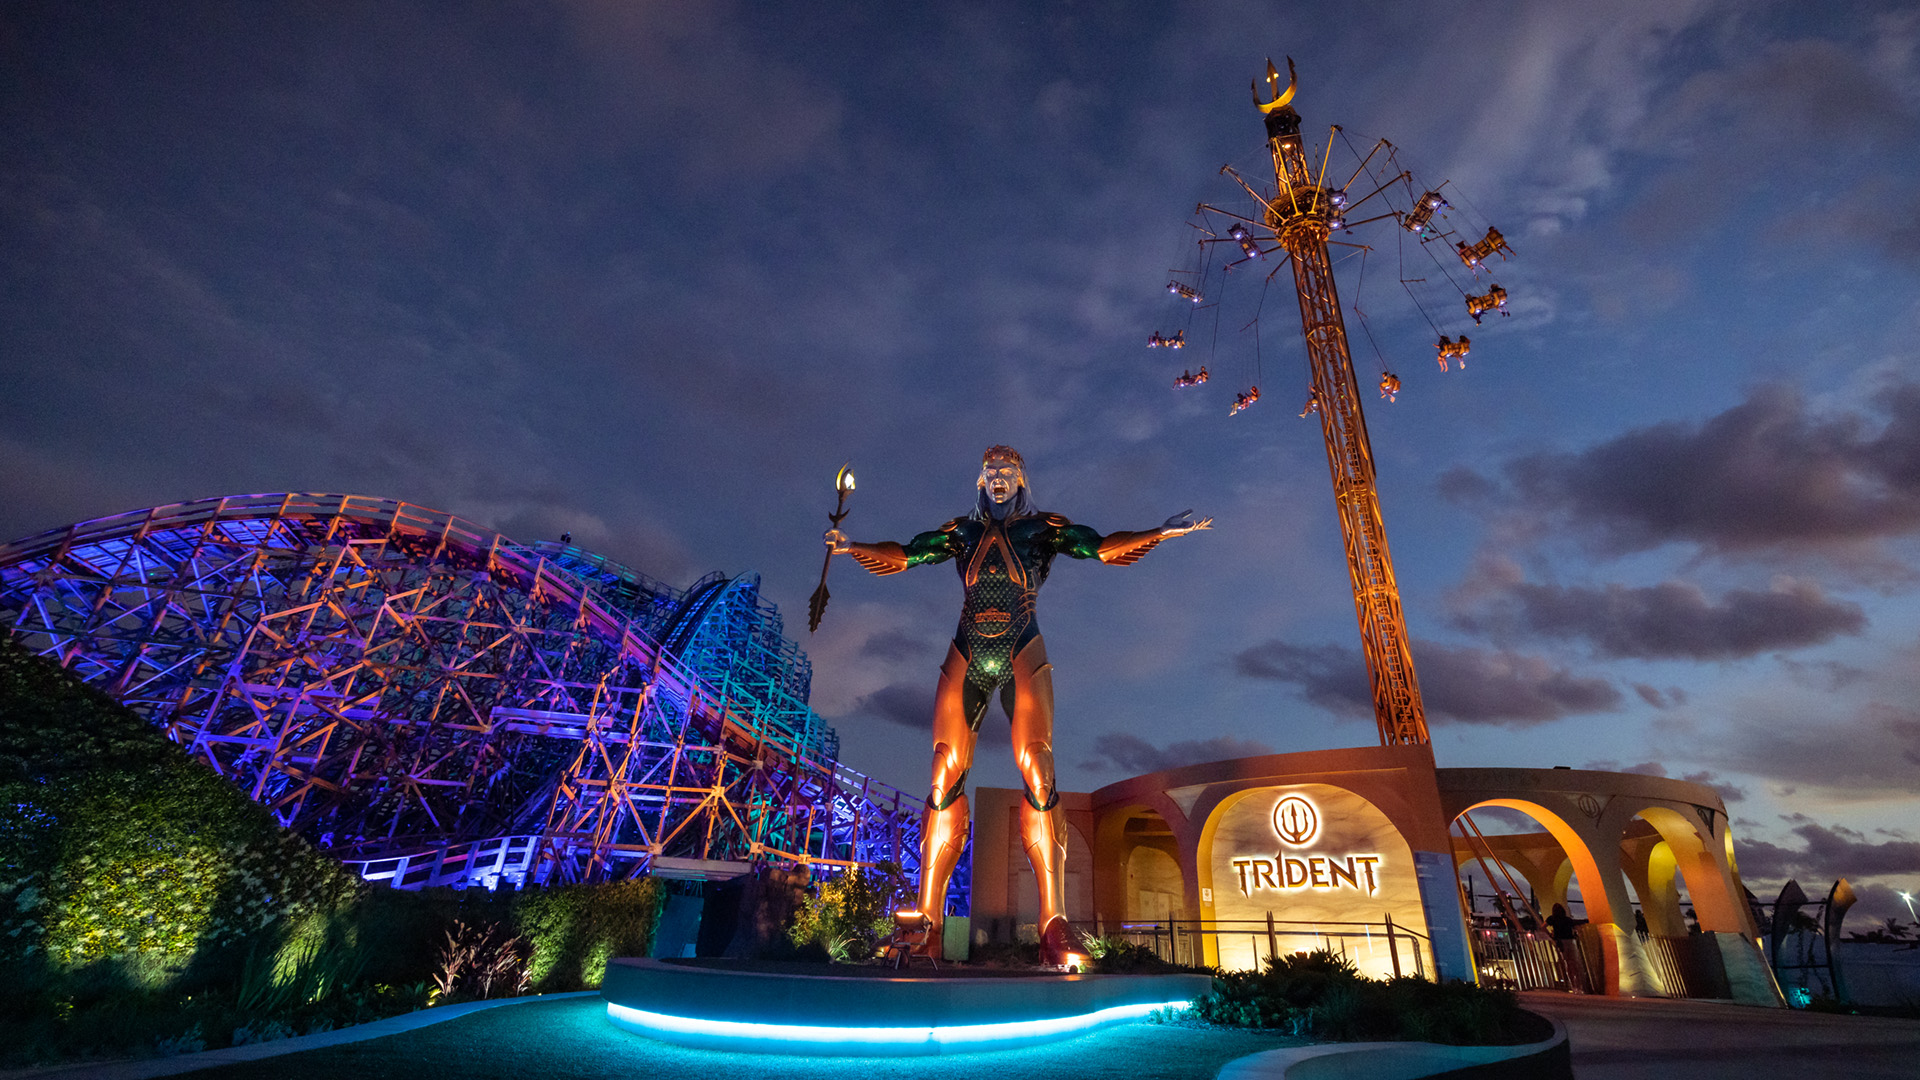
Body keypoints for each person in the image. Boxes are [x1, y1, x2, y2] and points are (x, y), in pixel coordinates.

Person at [825, 447, 1210, 964]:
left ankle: (1054, 922)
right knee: (943, 772)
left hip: (1021, 648)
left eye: (1007, 472)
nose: (998, 480)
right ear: (980, 480)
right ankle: (927, 923)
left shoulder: (1043, 530)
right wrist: (852, 548)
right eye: (990, 473)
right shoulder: (960, 531)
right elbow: (909, 552)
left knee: (1038, 767)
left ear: (1022, 479)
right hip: (968, 650)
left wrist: (1156, 534)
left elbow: (1096, 547)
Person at [1545, 903, 1590, 993]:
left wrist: (1550, 935)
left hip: (1561, 942)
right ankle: (1580, 986)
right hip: (1570, 941)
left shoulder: (1552, 919)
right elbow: (1575, 927)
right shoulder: (1567, 920)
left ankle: (1573, 985)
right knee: (1575, 963)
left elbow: (1542, 927)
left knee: (1567, 964)